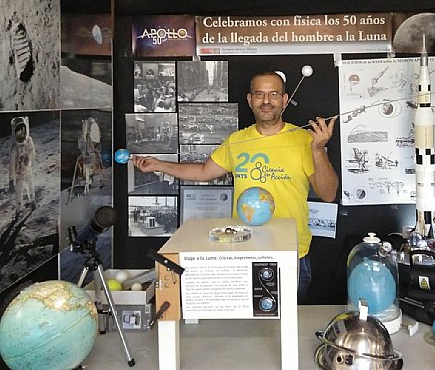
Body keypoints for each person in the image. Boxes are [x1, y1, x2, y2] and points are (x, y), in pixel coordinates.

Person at [133, 71, 339, 302]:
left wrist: (319, 150)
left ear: (285, 100)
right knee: (248, 331)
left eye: (274, 94)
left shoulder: (305, 140)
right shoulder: (237, 140)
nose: (266, 101)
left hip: (291, 253)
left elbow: (328, 194)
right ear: (250, 100)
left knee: (289, 329)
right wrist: (158, 164)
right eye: (259, 94)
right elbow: (203, 172)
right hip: (244, 248)